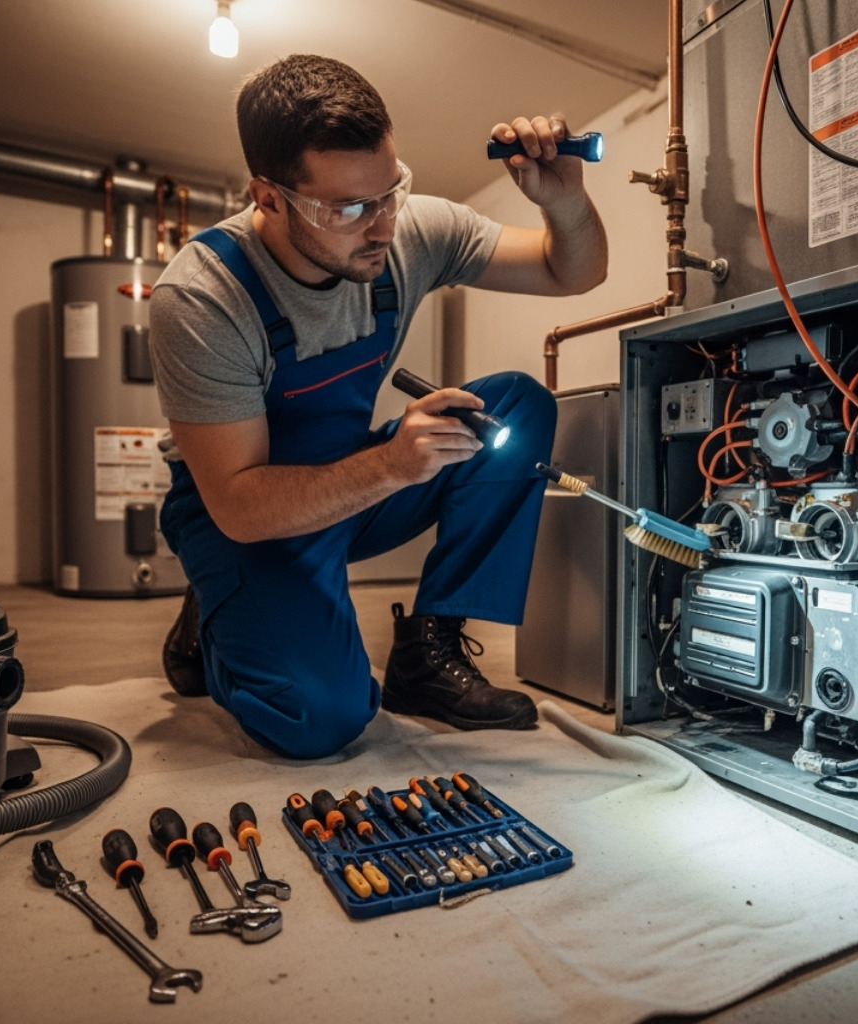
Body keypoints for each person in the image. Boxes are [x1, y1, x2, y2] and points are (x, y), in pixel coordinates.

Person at [148, 55, 607, 760]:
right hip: (238, 516)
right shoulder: (204, 296)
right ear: (266, 197)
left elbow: (571, 271)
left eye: (391, 191)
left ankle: (428, 653)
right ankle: (217, 613)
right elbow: (240, 505)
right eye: (347, 208)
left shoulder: (408, 230)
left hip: (351, 480)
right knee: (321, 719)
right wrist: (393, 465)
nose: (383, 225)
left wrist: (564, 200)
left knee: (514, 404)